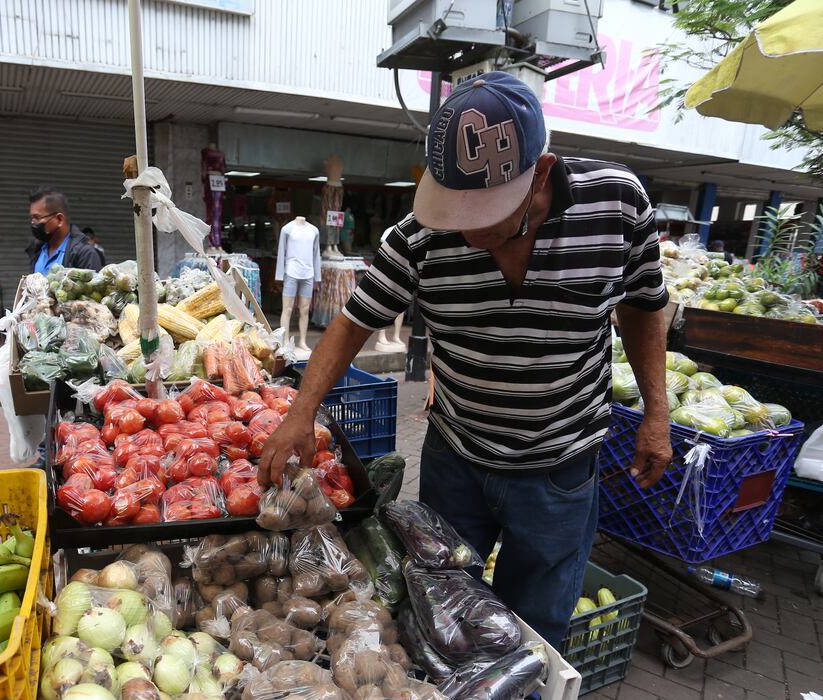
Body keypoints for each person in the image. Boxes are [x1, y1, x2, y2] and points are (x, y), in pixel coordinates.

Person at [258, 72, 672, 647]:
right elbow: (353, 323)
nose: (466, 229)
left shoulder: (618, 205)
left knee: (540, 622)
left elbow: (644, 306)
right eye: (456, 208)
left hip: (561, 461)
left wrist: (657, 411)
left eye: (487, 214)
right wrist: (301, 412)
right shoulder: (421, 237)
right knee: (442, 610)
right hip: (458, 459)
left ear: (542, 173)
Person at [26, 188, 106, 276]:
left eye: (37, 217)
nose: (33, 223)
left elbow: (92, 288)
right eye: (32, 218)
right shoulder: (37, 249)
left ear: (59, 219)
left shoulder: (85, 255)